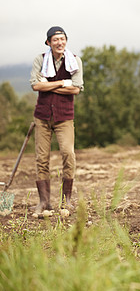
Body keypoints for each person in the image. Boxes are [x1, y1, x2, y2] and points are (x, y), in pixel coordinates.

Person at [29, 26, 83, 214]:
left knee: (68, 154)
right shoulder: (40, 60)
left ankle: (66, 200)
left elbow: (76, 88)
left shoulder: (74, 61)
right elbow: (36, 86)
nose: (59, 43)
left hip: (64, 117)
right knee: (41, 159)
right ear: (49, 43)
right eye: (55, 40)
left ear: (66, 41)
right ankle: (44, 202)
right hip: (42, 117)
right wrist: (61, 83)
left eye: (62, 39)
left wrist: (48, 85)